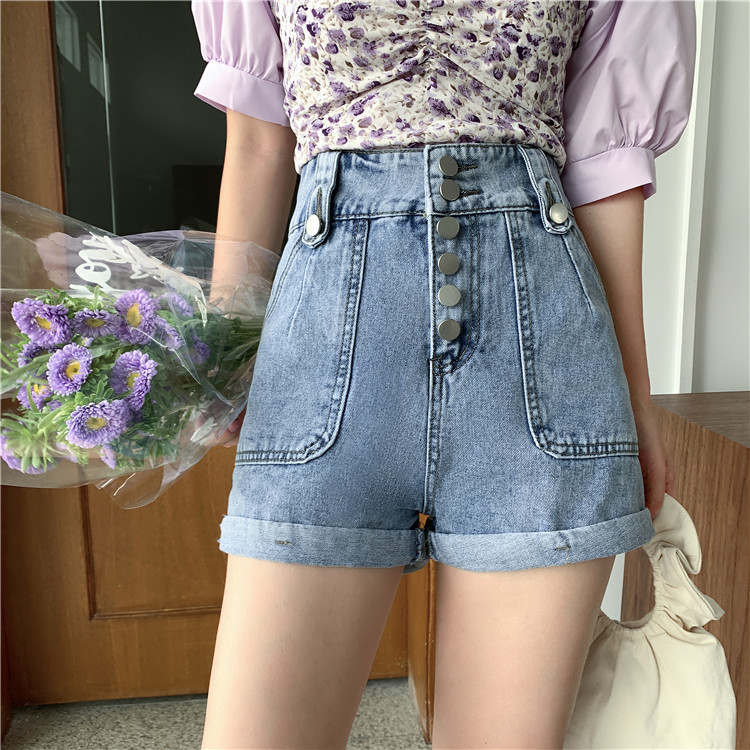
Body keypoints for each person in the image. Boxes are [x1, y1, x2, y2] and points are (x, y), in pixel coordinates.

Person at [190, 1, 695, 747]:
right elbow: (259, 143)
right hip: (320, 370)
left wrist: (636, 405)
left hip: (541, 379)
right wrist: (222, 352)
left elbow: (604, 171)